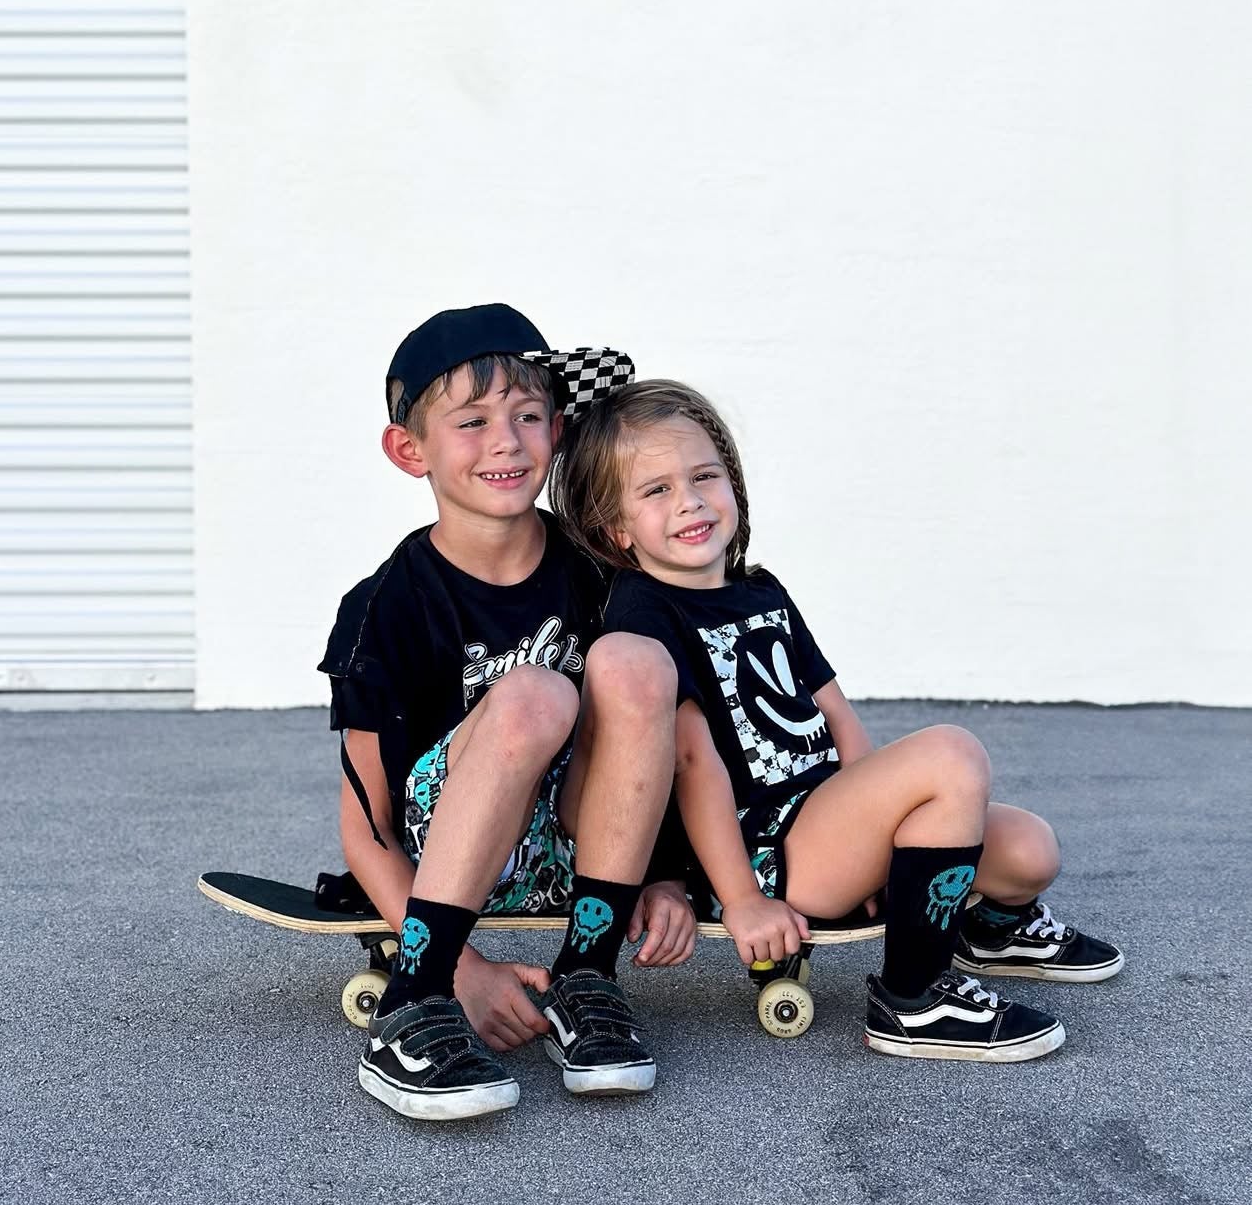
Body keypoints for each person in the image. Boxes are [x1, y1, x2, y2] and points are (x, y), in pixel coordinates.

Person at [551, 378, 1123, 1063]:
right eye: (657, 490)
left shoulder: (761, 590)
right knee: (951, 754)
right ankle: (915, 999)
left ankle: (988, 932)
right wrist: (742, 900)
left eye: (704, 476)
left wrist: (880, 834)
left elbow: (837, 715)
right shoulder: (646, 611)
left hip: (827, 816)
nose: (690, 501)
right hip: (770, 849)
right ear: (617, 530)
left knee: (1031, 851)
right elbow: (694, 765)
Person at [318, 305, 696, 1122]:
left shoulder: (601, 574)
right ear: (409, 450)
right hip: (447, 856)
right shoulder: (385, 606)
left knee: (636, 662)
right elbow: (366, 829)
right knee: (534, 693)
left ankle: (587, 976)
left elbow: (661, 734)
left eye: (528, 416)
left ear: (557, 431)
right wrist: (465, 971)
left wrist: (668, 873)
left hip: (581, 847)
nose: (507, 442)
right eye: (473, 422)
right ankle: (412, 1002)